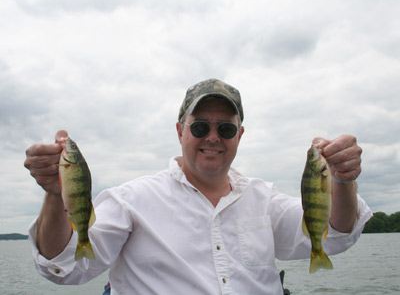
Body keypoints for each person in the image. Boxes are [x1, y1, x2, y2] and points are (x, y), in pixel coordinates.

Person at [24, 78, 372, 295]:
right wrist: (56, 195)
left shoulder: (263, 199)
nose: (212, 138)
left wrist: (342, 179)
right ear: (180, 131)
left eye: (226, 129)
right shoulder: (131, 200)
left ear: (240, 136)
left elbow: (336, 233)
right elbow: (65, 267)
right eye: (200, 126)